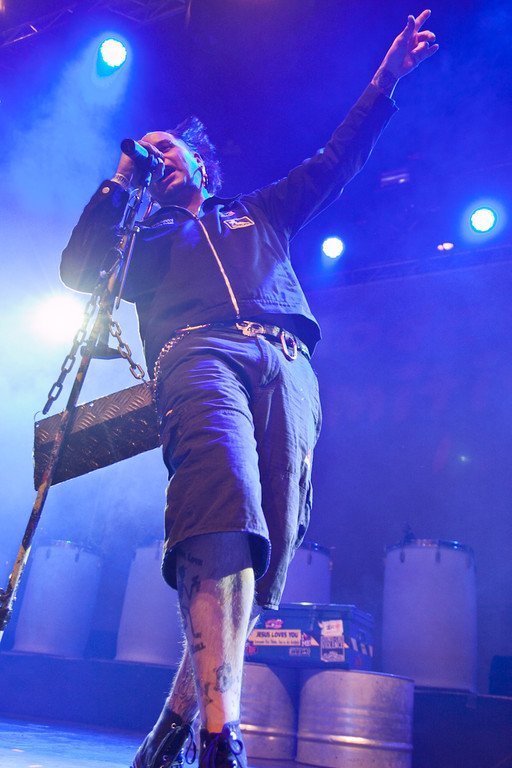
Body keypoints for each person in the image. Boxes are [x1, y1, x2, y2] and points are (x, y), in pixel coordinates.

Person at [60, 10, 438, 768]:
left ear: (201, 167)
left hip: (289, 365)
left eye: (169, 149)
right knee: (220, 505)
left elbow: (336, 159)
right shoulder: (143, 243)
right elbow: (78, 268)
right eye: (150, 152)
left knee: (264, 554)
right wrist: (123, 176)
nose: (159, 156)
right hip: (197, 354)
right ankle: (220, 740)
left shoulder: (257, 213)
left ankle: (174, 725)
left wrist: (384, 82)